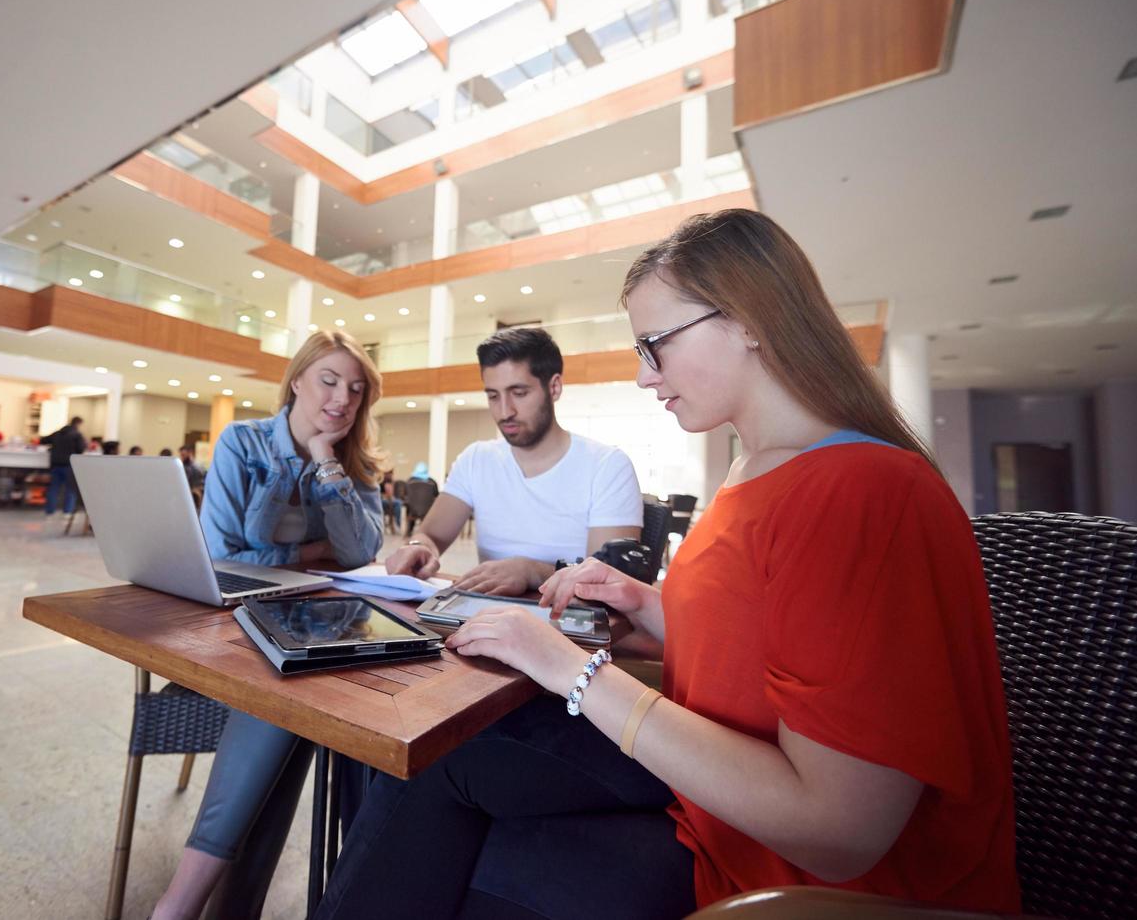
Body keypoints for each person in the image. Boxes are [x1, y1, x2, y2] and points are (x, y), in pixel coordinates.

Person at [315, 210, 1020, 919]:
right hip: (710, 811)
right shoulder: (756, 471)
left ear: (747, 318)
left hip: (795, 882)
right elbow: (765, 647)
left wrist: (570, 668)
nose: (643, 375)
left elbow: (839, 833)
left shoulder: (863, 492)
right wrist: (647, 607)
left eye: (654, 345)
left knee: (447, 800)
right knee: (430, 760)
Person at [153, 330, 386, 920]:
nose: (342, 399)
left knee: (299, 690)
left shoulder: (351, 460)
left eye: (355, 391)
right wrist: (312, 555)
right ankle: (203, 905)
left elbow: (360, 554)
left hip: (315, 635)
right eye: (329, 381)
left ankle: (187, 906)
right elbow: (222, 556)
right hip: (226, 632)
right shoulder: (243, 442)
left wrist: (328, 465)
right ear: (298, 379)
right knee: (289, 695)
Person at [386, 326, 643, 595]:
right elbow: (429, 536)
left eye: (519, 393)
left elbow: (611, 583)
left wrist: (533, 571)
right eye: (493, 396)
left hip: (567, 628)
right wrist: (418, 548)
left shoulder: (607, 466)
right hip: (486, 620)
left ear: (554, 387)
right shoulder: (476, 459)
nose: (504, 411)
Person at [39, 416, 84, 516]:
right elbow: (81, 449)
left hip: (55, 464)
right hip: (69, 464)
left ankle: (50, 511)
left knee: (54, 488)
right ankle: (67, 512)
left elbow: (42, 440)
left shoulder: (58, 433)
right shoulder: (77, 435)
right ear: (78, 424)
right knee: (70, 489)